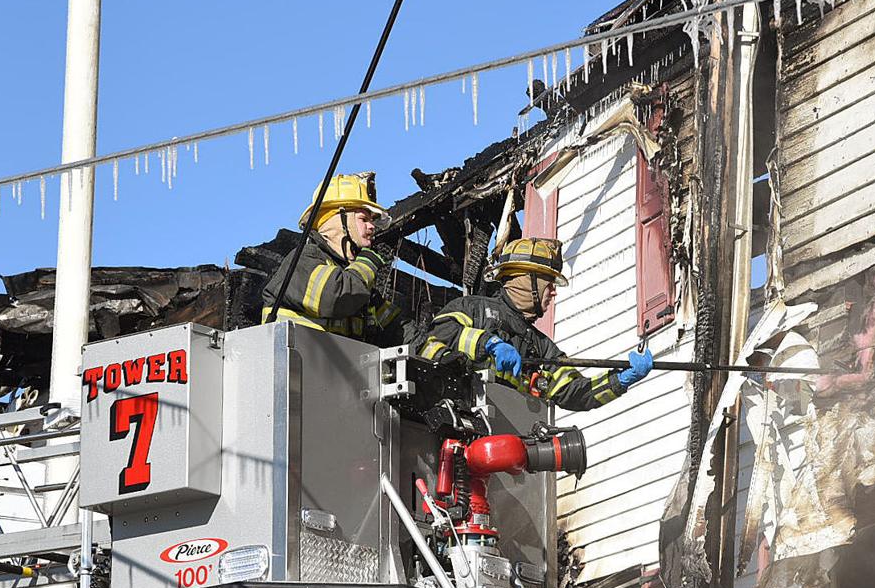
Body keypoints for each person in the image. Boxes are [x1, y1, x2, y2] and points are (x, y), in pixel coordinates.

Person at [416, 238, 653, 411]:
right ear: (526, 280)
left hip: (508, 440)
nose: (553, 293)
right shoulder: (471, 308)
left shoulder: (541, 346)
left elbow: (575, 393)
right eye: (548, 284)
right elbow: (435, 341)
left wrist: (622, 379)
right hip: (456, 424)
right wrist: (489, 343)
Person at [261, 173, 403, 346]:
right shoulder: (303, 260)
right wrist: (367, 261)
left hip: (334, 369)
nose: (372, 226)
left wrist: (437, 357)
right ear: (339, 220)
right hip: (295, 367)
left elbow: (398, 330)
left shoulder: (355, 281)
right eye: (363, 219)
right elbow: (337, 298)